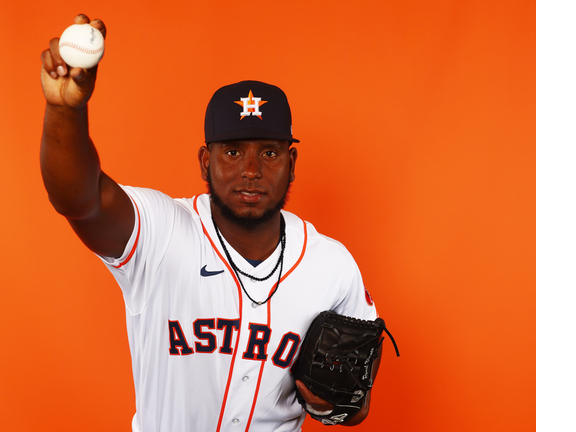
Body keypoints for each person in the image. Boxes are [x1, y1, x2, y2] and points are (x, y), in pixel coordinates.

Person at [40, 14, 380, 432]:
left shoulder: (332, 266)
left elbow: (356, 406)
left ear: (291, 164)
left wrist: (332, 406)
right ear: (206, 161)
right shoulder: (160, 232)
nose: (251, 169)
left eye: (270, 153)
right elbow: (79, 199)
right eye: (233, 152)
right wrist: (63, 113)